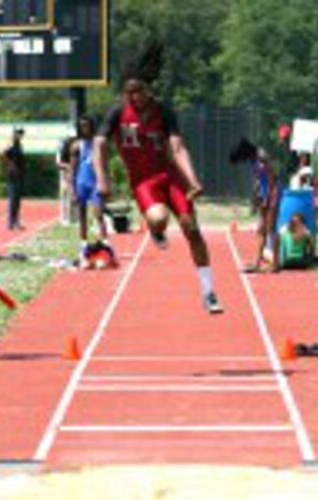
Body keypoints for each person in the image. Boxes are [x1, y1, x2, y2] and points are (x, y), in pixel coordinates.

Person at [93, 41, 223, 313]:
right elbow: (99, 144)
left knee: (191, 229)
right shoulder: (117, 112)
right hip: (143, 182)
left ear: (148, 88)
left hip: (170, 176)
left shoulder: (163, 112)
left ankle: (209, 291)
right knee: (159, 218)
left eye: (137, 91)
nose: (133, 97)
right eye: (128, 92)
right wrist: (102, 178)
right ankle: (155, 229)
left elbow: (177, 147)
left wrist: (192, 180)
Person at [69, 115, 113, 267]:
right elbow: (72, 170)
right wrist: (73, 190)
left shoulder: (98, 143)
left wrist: (107, 182)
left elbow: (105, 165)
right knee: (82, 216)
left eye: (87, 125)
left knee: (98, 214)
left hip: (96, 183)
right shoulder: (76, 145)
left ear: (92, 126)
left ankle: (106, 244)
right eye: (82, 125)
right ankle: (83, 244)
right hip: (82, 183)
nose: (84, 128)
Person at [1, 127, 26, 230]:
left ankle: (16, 221)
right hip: (12, 175)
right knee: (13, 198)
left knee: (18, 199)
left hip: (20, 174)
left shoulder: (19, 144)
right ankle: (11, 222)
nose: (20, 135)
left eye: (21, 133)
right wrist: (10, 165)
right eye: (18, 133)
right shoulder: (10, 144)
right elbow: (2, 154)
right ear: (14, 133)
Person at [55, 133, 77, 226]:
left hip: (73, 172)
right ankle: (64, 218)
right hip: (64, 173)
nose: (72, 140)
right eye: (70, 139)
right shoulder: (61, 148)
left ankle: (74, 218)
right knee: (65, 195)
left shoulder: (75, 147)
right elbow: (58, 163)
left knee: (73, 195)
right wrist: (68, 167)